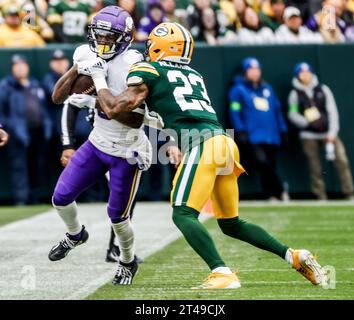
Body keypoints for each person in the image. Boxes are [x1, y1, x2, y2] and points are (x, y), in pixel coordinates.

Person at [85, 22, 327, 289]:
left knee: (183, 214)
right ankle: (293, 256)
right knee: (231, 224)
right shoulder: (194, 75)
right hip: (224, 142)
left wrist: (97, 85)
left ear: (161, 46)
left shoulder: (149, 69)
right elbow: (172, 113)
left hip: (202, 144)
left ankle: (222, 272)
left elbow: (120, 106)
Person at [48, 6, 152, 286]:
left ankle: (127, 261)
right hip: (97, 142)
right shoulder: (86, 52)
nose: (102, 43)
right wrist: (76, 70)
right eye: (99, 36)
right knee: (60, 197)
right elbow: (58, 97)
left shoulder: (133, 64)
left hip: (126, 150)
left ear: (125, 38)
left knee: (118, 217)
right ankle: (75, 234)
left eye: (110, 37)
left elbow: (133, 120)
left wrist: (95, 90)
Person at [288, 62, 354, 200]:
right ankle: (320, 196)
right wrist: (307, 122)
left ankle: (349, 193)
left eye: (307, 72)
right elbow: (292, 114)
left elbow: (332, 111)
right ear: (297, 75)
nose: (305, 75)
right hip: (308, 135)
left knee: (342, 160)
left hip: (328, 133)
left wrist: (332, 132)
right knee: (315, 167)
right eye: (302, 73)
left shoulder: (323, 89)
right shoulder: (294, 94)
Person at [228, 57, 289, 201]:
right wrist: (240, 130)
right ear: (245, 72)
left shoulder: (267, 88)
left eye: (257, 69)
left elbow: (276, 110)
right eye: (251, 69)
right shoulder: (238, 90)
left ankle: (271, 194)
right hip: (252, 135)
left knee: (271, 165)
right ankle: (281, 189)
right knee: (262, 162)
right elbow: (234, 111)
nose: (255, 73)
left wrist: (283, 129)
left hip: (271, 134)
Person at [0, 54, 52, 204]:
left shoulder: (35, 84)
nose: (21, 69)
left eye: (23, 65)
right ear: (12, 69)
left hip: (37, 133)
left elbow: (44, 109)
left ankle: (34, 198)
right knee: (19, 167)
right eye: (17, 66)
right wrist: (10, 127)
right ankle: (21, 199)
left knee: (36, 166)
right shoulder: (5, 86)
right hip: (16, 135)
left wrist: (46, 127)